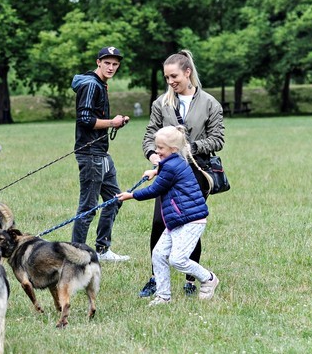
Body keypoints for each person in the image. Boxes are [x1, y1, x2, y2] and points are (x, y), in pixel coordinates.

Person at [137, 50, 225, 298]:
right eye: (166, 77)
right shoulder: (161, 104)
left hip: (196, 172)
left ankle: (191, 279)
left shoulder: (210, 103)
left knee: (189, 223)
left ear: (188, 73)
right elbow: (148, 136)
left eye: (174, 76)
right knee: (159, 222)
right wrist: (153, 155)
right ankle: (156, 278)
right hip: (168, 172)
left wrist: (190, 148)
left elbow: (218, 139)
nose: (170, 82)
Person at [117, 125, 219, 306]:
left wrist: (130, 195)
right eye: (156, 147)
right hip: (177, 219)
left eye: (160, 148)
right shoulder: (175, 161)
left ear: (173, 149)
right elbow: (166, 169)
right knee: (158, 254)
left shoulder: (172, 165)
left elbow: (155, 189)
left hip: (191, 221)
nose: (156, 151)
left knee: (177, 259)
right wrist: (155, 171)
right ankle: (163, 296)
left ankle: (209, 278)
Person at [71, 46, 131, 262]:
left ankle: (103, 250)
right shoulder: (90, 85)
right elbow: (84, 119)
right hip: (90, 154)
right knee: (87, 207)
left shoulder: (100, 84)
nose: (111, 67)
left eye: (115, 64)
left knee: (114, 200)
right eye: (107, 63)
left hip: (102, 153)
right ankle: (75, 254)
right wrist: (111, 122)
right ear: (98, 62)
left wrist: (115, 123)